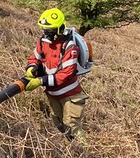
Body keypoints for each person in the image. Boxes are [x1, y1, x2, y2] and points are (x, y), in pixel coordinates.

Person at [13, 7, 92, 137]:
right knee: (59, 124)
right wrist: (31, 68)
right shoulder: (43, 41)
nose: (46, 33)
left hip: (70, 95)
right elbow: (35, 58)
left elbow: (65, 74)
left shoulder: (70, 47)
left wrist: (40, 81)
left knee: (72, 127)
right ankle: (70, 149)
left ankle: (85, 152)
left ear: (59, 29)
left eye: (50, 30)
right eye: (45, 30)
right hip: (53, 93)